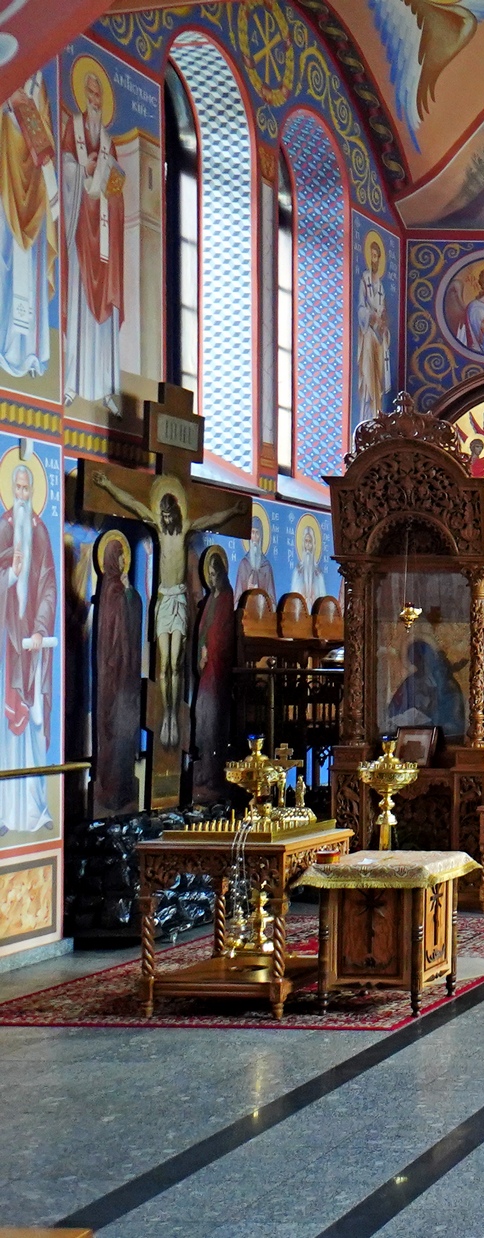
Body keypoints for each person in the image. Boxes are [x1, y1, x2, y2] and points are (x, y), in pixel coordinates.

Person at [92, 470, 246, 748]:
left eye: (166, 515)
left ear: (174, 512)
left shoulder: (185, 528)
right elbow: (132, 504)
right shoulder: (159, 529)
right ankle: (168, 716)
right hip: (164, 600)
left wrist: (234, 511)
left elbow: (211, 519)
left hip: (180, 600)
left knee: (177, 662)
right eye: (160, 516)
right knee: (164, 664)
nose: (163, 519)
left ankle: (174, 713)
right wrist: (109, 483)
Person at [61, 60, 122, 413]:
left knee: (104, 317)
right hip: (80, 232)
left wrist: (109, 177)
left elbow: (116, 191)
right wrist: (83, 168)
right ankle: (71, 383)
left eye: (99, 94)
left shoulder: (110, 141)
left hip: (104, 241)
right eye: (91, 93)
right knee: (78, 304)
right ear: (84, 95)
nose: (95, 99)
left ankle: (107, 389)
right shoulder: (74, 127)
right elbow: (66, 167)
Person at [0, 456, 54, 836]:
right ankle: (4, 814)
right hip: (6, 646)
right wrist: (10, 574)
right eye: (16, 488)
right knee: (8, 728)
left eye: (26, 489)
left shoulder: (41, 533)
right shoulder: (2, 529)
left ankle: (36, 810)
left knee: (34, 727)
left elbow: (49, 584)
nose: (21, 495)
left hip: (32, 647)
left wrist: (38, 630)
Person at [0, 73, 54, 381]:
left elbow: (45, 134)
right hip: (6, 175)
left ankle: (32, 350)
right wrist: (10, 103)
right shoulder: (12, 66)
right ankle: (6, 343)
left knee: (30, 271)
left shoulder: (37, 83)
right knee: (6, 260)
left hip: (33, 189)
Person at [90, 531, 142, 818]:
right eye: (120, 555)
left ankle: (123, 791)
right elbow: (112, 636)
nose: (124, 560)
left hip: (126, 676)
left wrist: (131, 593)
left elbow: (132, 619)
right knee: (114, 731)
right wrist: (126, 594)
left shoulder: (120, 589)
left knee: (125, 731)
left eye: (125, 554)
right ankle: (111, 792)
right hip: (114, 676)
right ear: (110, 559)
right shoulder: (111, 590)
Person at [188, 547, 236, 804]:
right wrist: (201, 653)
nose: (211, 577)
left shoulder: (226, 597)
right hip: (206, 670)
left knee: (213, 721)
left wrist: (209, 651)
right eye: (208, 572)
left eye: (214, 572)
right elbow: (204, 632)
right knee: (203, 720)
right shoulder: (210, 600)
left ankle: (214, 775)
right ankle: (205, 773)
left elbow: (222, 634)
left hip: (216, 672)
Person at [388, 635, 468, 737]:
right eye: (415, 661)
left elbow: (454, 715)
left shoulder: (446, 682)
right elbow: (394, 708)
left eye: (422, 660)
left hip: (441, 734)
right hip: (412, 734)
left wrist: (431, 711)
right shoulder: (410, 682)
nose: (420, 664)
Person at [355, 233, 391, 420]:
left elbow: (384, 311)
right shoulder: (365, 279)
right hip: (368, 333)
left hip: (379, 335)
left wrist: (383, 322)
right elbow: (361, 307)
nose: (374, 260)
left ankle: (376, 415)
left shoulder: (381, 286)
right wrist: (372, 317)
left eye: (376, 256)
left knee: (378, 377)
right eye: (372, 256)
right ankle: (368, 415)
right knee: (368, 375)